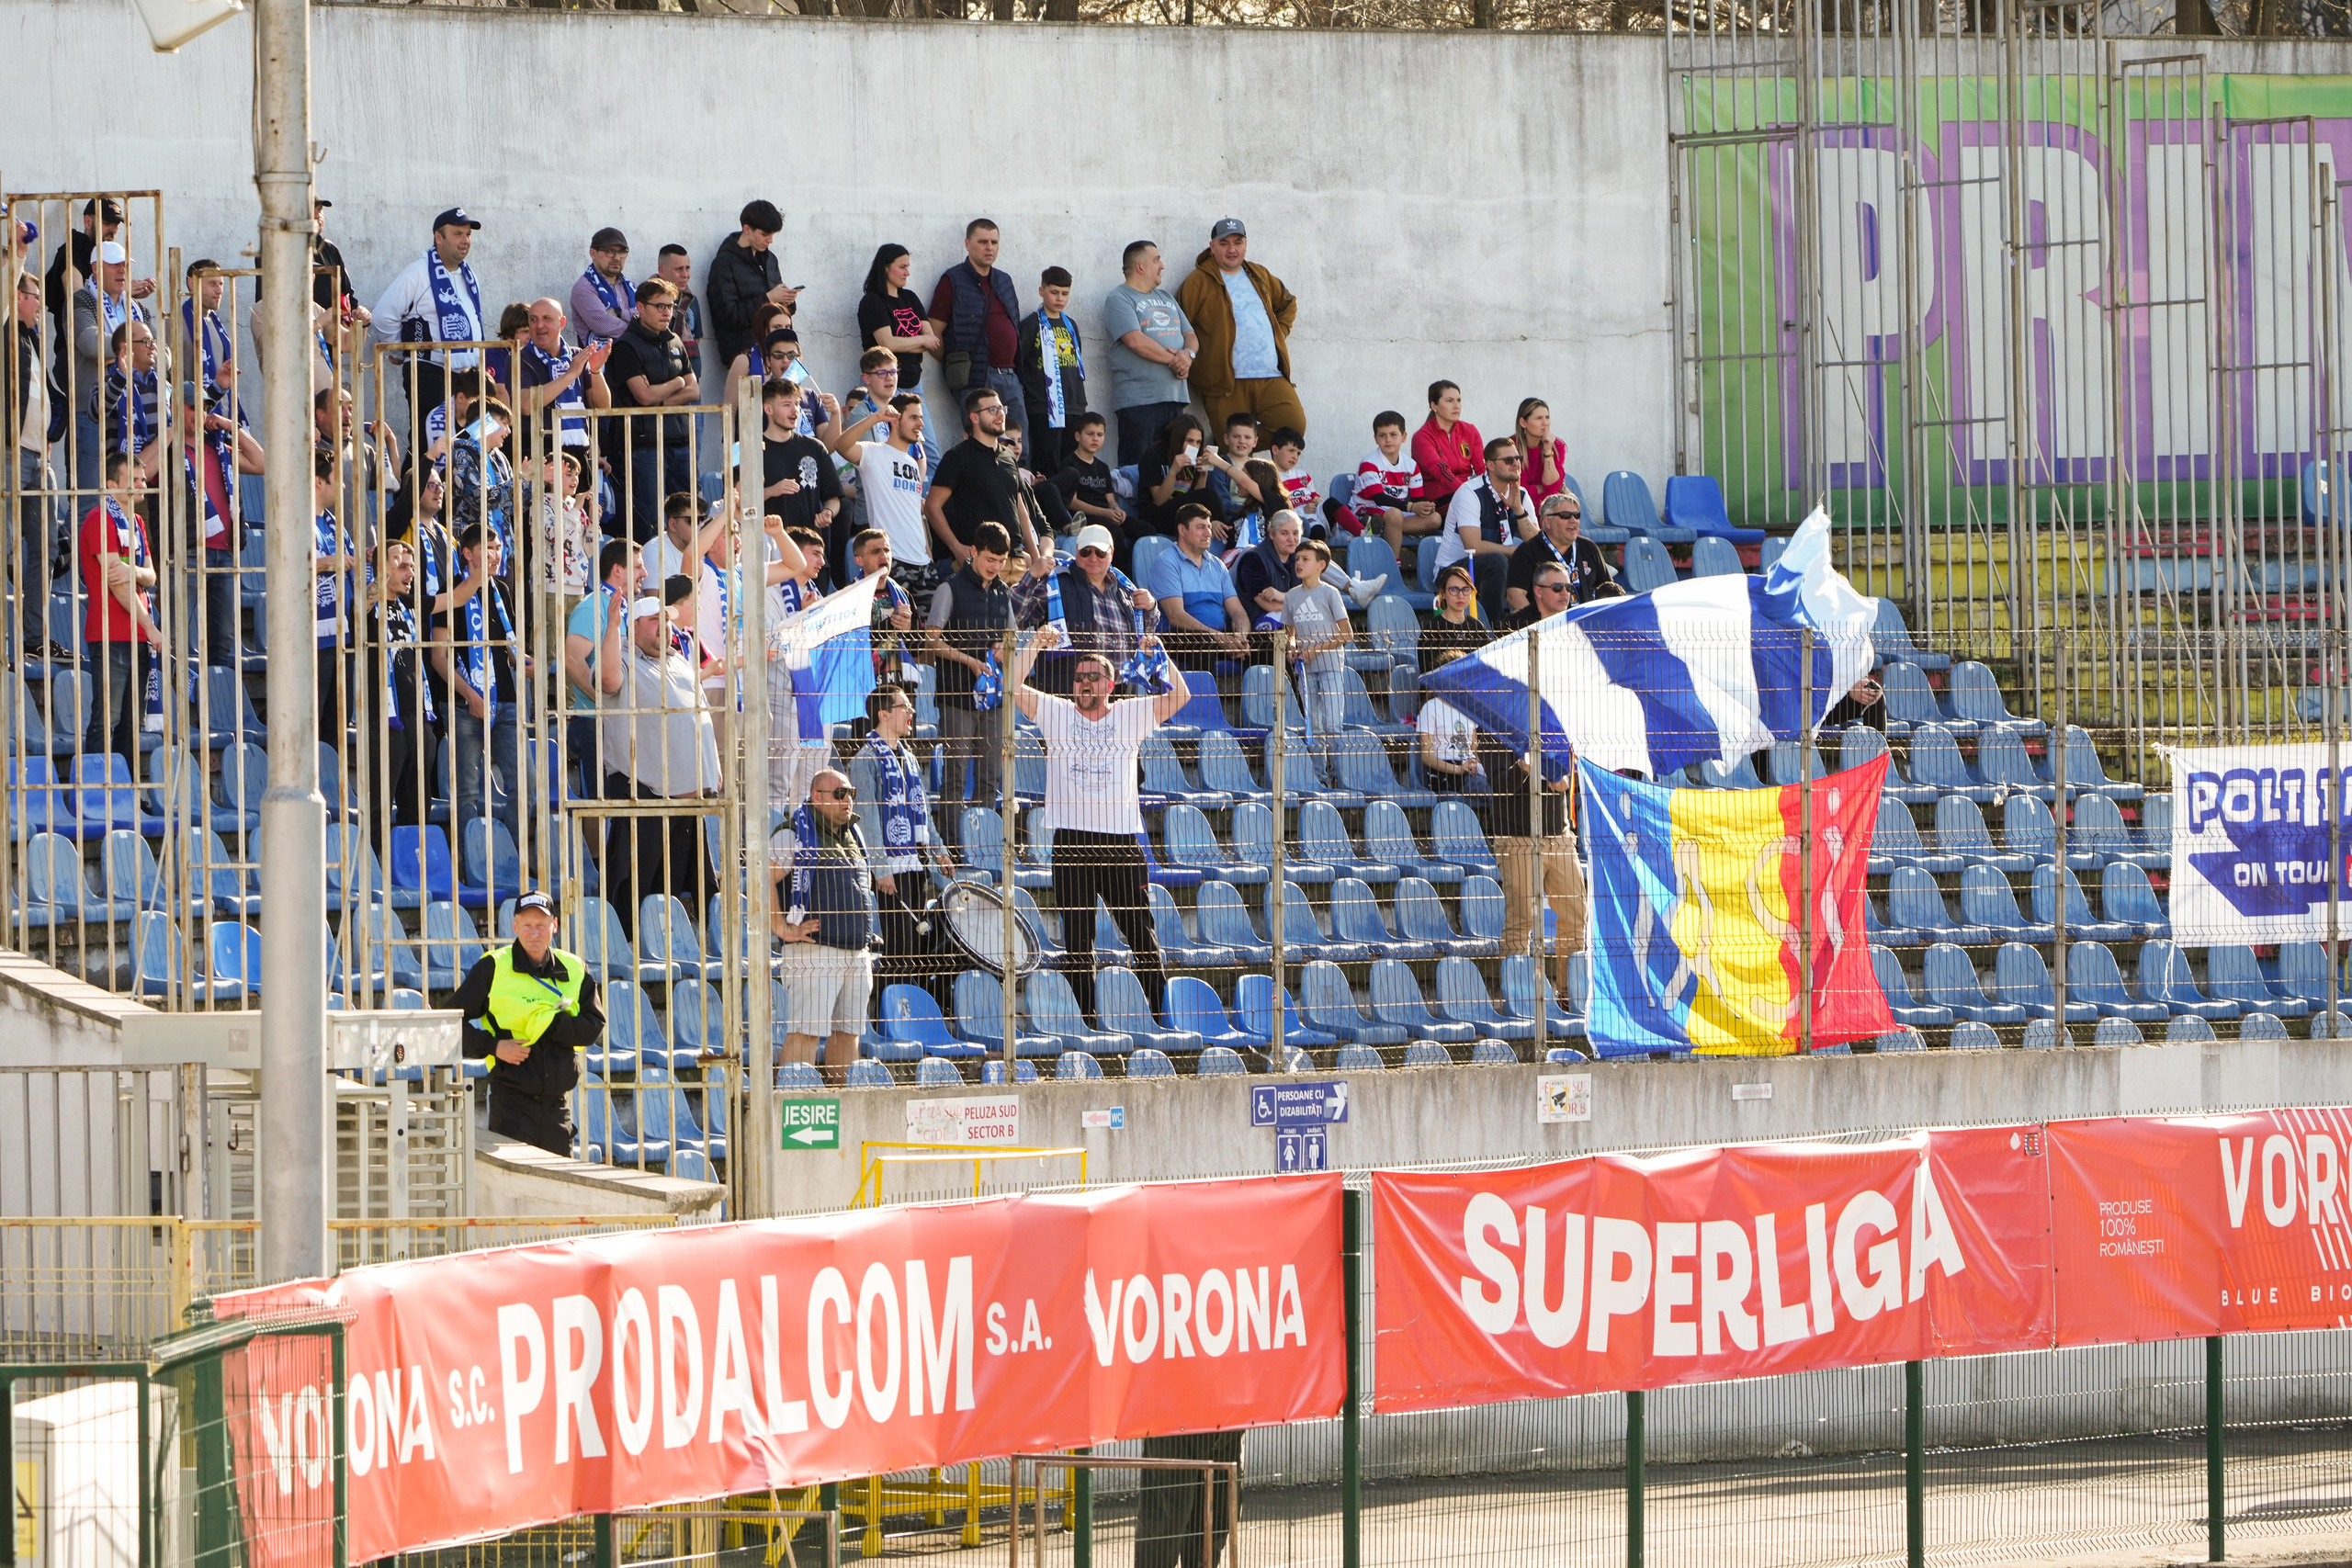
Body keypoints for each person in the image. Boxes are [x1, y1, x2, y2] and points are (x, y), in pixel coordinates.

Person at [1011, 625, 1192, 1026]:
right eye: (1079, 677)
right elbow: (1011, 685)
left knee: (1141, 935)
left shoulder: (1131, 713)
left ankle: (1163, 1017)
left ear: (1110, 684)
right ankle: (1089, 1021)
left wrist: (1159, 652)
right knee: (1078, 941)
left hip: (1121, 841)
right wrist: (1034, 645)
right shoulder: (1056, 713)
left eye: (1093, 677)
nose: (1084, 683)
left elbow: (1181, 696)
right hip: (1071, 842)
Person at [596, 593, 721, 932]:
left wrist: (712, 769)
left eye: (666, 621)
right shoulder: (621, 657)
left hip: (688, 798)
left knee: (676, 892)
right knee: (637, 886)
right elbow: (607, 682)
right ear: (632, 628)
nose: (664, 628)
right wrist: (611, 625)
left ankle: (672, 949)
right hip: (647, 792)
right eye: (654, 621)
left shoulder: (678, 659)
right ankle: (628, 946)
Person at [451, 891, 606, 1157]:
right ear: (514, 927)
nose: (534, 932)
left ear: (554, 926)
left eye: (541, 925)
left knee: (559, 1192)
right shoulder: (493, 967)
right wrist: (494, 1046)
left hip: (557, 1108)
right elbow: (449, 1022)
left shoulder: (575, 968)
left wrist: (553, 1023)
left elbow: (594, 1025)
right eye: (527, 925)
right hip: (511, 1105)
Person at [767, 765, 881, 1076]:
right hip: (815, 953)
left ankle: (841, 1106)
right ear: (816, 797)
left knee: (849, 1033)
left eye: (851, 794)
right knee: (807, 1032)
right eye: (839, 793)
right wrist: (780, 927)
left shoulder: (853, 835)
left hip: (856, 953)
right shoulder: (794, 833)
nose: (848, 800)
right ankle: (790, 1104)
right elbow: (761, 878)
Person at [858, 683, 957, 1010]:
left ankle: (908, 1013)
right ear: (884, 714)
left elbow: (923, 812)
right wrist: (881, 868)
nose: (911, 712)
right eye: (904, 707)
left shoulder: (909, 758)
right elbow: (868, 819)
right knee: (898, 947)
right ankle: (887, 1016)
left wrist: (940, 849)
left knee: (913, 947)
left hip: (916, 863)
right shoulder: (866, 758)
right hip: (890, 870)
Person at [434, 522, 526, 853]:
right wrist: (470, 695)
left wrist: (527, 663)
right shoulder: (450, 590)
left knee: (524, 783)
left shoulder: (501, 589)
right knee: (468, 791)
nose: (496, 554)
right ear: (468, 553)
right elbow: (439, 657)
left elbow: (510, 649)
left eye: (498, 547)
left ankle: (518, 858)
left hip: (506, 701)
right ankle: (469, 859)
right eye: (488, 548)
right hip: (464, 704)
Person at [1476, 725, 1588, 998]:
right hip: (1517, 839)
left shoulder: (1554, 727)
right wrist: (1524, 767)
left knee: (1575, 917)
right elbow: (1499, 786)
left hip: (1558, 836)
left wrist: (1566, 782)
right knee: (1521, 919)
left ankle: (1568, 995)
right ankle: (1519, 998)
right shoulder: (1492, 728)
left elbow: (1567, 776)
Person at [925, 521, 1016, 841]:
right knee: (955, 774)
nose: (995, 567)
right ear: (973, 552)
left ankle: (984, 844)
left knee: (991, 774)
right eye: (990, 559)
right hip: (956, 697)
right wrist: (970, 660)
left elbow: (1011, 640)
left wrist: (1001, 649)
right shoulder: (949, 588)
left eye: (1001, 561)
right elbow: (931, 641)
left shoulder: (1004, 592)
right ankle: (952, 845)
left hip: (992, 700)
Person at [1175, 219, 1305, 440]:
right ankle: (1229, 453)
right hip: (1225, 383)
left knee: (1292, 430)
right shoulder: (1198, 281)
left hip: (1270, 375)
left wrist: (1279, 333)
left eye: (1238, 242)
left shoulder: (1259, 274)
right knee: (1232, 442)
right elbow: (1179, 323)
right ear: (1212, 246)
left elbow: (1287, 302)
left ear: (1245, 244)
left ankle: (1238, 452)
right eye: (1224, 243)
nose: (1232, 249)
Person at [369, 208, 487, 442]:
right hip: (432, 373)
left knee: (473, 440)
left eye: (468, 235)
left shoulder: (468, 274)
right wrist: (399, 349)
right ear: (438, 237)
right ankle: (420, 479)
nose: (465, 241)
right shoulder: (419, 272)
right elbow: (383, 314)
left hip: (469, 376)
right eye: (457, 234)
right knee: (429, 441)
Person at [76, 448, 161, 762]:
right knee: (106, 720)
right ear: (112, 486)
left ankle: (125, 792)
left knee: (129, 724)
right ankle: (97, 794)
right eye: (134, 480)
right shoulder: (100, 519)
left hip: (136, 634)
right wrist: (151, 626)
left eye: (143, 479)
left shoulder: (136, 521)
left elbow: (150, 576)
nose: (142, 485)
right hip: (111, 633)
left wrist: (133, 571)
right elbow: (118, 583)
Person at [1011, 523, 1160, 698]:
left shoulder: (1126, 589)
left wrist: (1151, 608)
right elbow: (1017, 617)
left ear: (1111, 553)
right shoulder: (1055, 582)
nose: (1093, 557)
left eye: (1100, 552)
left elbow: (1145, 639)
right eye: (1086, 551)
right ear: (1076, 551)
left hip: (1120, 695)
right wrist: (1032, 575)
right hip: (1070, 697)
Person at [605, 277, 699, 542]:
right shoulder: (626, 345)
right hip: (644, 447)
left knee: (690, 519)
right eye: (659, 306)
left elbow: (695, 390)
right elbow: (643, 396)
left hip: (680, 444)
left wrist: (662, 395)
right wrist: (677, 383)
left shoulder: (675, 342)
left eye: (670, 306)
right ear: (639, 307)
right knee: (651, 522)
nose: (666, 312)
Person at [180, 378, 265, 671]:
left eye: (204, 407)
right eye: (193, 407)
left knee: (222, 641)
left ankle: (216, 703)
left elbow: (263, 462)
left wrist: (230, 425)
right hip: (188, 552)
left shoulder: (218, 447)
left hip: (225, 554)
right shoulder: (170, 448)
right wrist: (170, 432)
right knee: (176, 632)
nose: (200, 413)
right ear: (176, 409)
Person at [360, 537, 441, 841]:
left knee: (419, 802)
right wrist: (383, 570)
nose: (409, 572)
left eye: (412, 566)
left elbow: (453, 599)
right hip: (385, 716)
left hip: (419, 715)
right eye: (402, 565)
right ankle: (377, 865)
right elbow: (362, 605)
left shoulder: (410, 604)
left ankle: (414, 862)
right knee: (380, 801)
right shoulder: (368, 601)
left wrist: (478, 572)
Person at [1102, 239, 1197, 467]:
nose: (1162, 265)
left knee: (1177, 469)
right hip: (1140, 402)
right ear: (1140, 267)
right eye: (1156, 260)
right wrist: (1176, 360)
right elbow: (1136, 341)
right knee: (1137, 469)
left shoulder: (1166, 298)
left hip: (1175, 399)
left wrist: (1189, 356)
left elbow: (1191, 336)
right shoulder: (1119, 298)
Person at [71, 243, 154, 489]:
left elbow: (164, 355)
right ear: (95, 268)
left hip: (138, 414)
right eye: (115, 264)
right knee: (91, 495)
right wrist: (139, 347)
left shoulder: (139, 308)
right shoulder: (81, 300)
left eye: (125, 265)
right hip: (95, 412)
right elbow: (90, 342)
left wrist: (130, 349)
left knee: (136, 497)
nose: (122, 270)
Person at [836, 392, 933, 597]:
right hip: (892, 560)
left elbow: (915, 513)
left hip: (923, 564)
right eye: (914, 418)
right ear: (896, 420)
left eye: (921, 418)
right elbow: (841, 445)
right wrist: (876, 417)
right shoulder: (873, 452)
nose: (921, 424)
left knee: (928, 629)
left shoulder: (913, 464)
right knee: (894, 628)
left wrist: (928, 553)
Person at [925, 387, 1034, 567]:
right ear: (974, 417)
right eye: (992, 410)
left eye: (1002, 409)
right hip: (979, 561)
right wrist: (957, 547)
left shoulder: (1008, 456)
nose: (1000, 415)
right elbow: (932, 507)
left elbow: (1021, 510)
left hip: (1016, 559)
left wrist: (1034, 556)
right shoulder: (957, 457)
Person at [925, 219, 1023, 416]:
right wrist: (956, 363)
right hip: (977, 379)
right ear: (968, 244)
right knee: (982, 443)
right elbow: (934, 332)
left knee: (1020, 444)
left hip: (1011, 377)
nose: (989, 248)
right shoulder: (952, 280)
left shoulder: (1004, 280)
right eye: (983, 242)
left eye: (994, 242)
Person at [564, 536, 643, 779]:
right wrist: (604, 701)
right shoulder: (592, 607)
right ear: (618, 570)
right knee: (597, 805)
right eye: (638, 566)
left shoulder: (629, 608)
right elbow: (571, 660)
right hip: (596, 723)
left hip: (623, 723)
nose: (646, 572)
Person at [1436, 436, 1534, 626]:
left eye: (1518, 459)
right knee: (1497, 561)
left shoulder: (1520, 494)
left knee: (1539, 563)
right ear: (1490, 465)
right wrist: (1516, 551)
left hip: (1499, 568)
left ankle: (1537, 628)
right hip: (1452, 571)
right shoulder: (1470, 493)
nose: (1515, 464)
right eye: (1508, 460)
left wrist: (1519, 511)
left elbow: (1535, 543)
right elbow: (1473, 547)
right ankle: (1494, 630)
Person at [8, 271, 62, 612]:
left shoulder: (33, 338)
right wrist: (18, 252)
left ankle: (34, 635)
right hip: (10, 453)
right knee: (6, 545)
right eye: (36, 295)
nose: (42, 303)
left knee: (47, 546)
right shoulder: (7, 331)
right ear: (16, 297)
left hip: (39, 456)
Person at [1148, 504, 1250, 676]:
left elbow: (1238, 612)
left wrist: (1240, 638)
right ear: (1182, 529)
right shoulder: (1167, 563)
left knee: (1267, 645)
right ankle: (1202, 703)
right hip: (1178, 638)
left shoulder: (1218, 566)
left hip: (1216, 637)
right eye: (1201, 527)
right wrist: (1218, 636)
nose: (1208, 532)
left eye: (1209, 527)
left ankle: (1288, 701)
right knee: (1203, 643)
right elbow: (1176, 616)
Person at [1283, 538, 1354, 786]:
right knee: (1313, 726)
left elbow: (1347, 634)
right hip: (1306, 669)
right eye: (1297, 559)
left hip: (1331, 666)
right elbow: (1289, 632)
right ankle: (1319, 779)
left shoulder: (1330, 593)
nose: (1299, 563)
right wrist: (1292, 647)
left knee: (1333, 724)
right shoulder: (1291, 596)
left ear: (1321, 565)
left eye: (1305, 559)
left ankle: (1338, 776)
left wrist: (1315, 649)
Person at [760, 378, 845, 571]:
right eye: (787, 404)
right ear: (768, 409)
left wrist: (828, 512)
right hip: (771, 554)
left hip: (811, 556)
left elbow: (834, 498)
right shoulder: (751, 448)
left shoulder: (814, 447)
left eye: (797, 404)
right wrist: (772, 491)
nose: (795, 410)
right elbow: (737, 502)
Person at [516, 297, 612, 459]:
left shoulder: (576, 355)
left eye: (547, 319)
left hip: (579, 449)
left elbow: (602, 407)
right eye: (533, 320)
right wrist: (570, 375)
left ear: (562, 323)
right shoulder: (520, 358)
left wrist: (595, 371)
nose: (539, 326)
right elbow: (525, 405)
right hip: (540, 452)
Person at [1015, 266, 1088, 475]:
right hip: (1043, 407)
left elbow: (1076, 361)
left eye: (1065, 293)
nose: (1060, 298)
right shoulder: (1030, 325)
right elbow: (1019, 363)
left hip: (1073, 406)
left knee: (1071, 467)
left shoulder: (1070, 325)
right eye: (1054, 292)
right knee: (1047, 466)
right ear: (1041, 291)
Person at [707, 198, 797, 365]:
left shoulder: (770, 260)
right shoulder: (724, 264)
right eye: (765, 234)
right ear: (747, 229)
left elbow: (777, 308)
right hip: (745, 356)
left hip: (776, 354)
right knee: (752, 392)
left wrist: (787, 301)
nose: (770, 240)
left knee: (784, 392)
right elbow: (730, 316)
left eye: (773, 234)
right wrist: (769, 298)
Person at [311, 450, 360, 740]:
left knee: (337, 727)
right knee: (313, 725)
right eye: (337, 479)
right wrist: (327, 562)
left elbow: (348, 564)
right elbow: (284, 569)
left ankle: (332, 783)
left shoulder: (333, 524)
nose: (343, 486)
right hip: (312, 641)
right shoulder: (296, 521)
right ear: (319, 482)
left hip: (342, 635)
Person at [1510, 492, 1623, 614]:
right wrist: (1541, 624)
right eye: (1566, 515)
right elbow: (1514, 595)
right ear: (1547, 521)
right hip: (1549, 627)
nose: (1573, 520)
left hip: (1586, 625)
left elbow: (1609, 590)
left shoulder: (1589, 547)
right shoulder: (1527, 551)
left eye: (1576, 515)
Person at [1351, 409, 1442, 558]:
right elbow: (1379, 498)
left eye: (1393, 435)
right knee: (1395, 515)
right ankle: (1393, 563)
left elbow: (1418, 498)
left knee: (1435, 518)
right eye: (1382, 435)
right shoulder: (1369, 463)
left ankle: (1382, 528)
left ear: (1404, 437)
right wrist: (1412, 507)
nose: (1388, 440)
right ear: (1375, 438)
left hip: (1397, 513)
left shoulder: (1411, 465)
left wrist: (1425, 507)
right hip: (1366, 509)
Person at [857, 243, 937, 389]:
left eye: (908, 267)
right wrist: (921, 340)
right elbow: (887, 344)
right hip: (882, 382)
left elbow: (931, 341)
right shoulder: (872, 301)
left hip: (914, 381)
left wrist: (906, 343)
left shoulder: (910, 297)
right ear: (885, 267)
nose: (907, 273)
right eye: (902, 267)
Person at [1135, 412, 1218, 545]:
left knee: (1209, 499)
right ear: (1177, 438)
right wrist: (1173, 471)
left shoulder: (1194, 458)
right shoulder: (1154, 455)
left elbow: (1197, 497)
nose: (1194, 447)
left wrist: (1203, 474)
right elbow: (1159, 501)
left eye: (1198, 442)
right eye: (1189, 440)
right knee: (1210, 495)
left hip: (1184, 513)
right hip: (1156, 516)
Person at [1412, 380, 1483, 522]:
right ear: (1434, 406)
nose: (1456, 406)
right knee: (1476, 512)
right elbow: (1441, 472)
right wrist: (1468, 492)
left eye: (1459, 400)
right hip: (1439, 500)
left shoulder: (1470, 431)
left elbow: (1481, 468)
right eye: (1450, 401)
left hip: (1467, 492)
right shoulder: (1423, 437)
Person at [1048, 411, 1123, 537]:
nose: (1095, 438)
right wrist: (1105, 513)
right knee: (1116, 533)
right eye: (1090, 434)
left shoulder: (1103, 467)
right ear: (1078, 436)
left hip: (1106, 514)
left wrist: (1116, 509)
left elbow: (1110, 499)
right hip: (1085, 517)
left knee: (1145, 529)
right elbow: (1072, 503)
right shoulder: (1069, 464)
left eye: (1100, 434)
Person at [1418, 561, 1488, 677]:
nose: (1460, 596)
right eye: (1454, 590)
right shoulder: (1432, 630)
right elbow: (1429, 674)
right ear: (1443, 593)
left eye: (1465, 589)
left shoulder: (1477, 627)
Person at [570, 227, 637, 342]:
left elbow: (648, 316)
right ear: (593, 253)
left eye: (622, 251)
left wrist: (619, 313)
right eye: (610, 251)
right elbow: (605, 326)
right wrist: (642, 329)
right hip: (601, 357)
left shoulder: (632, 287)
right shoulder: (584, 287)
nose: (617, 257)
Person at [1416, 696, 1484, 795]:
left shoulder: (1469, 708)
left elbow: (1474, 749)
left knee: (1501, 783)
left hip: (1471, 768)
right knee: (1491, 787)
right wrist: (1458, 769)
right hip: (1446, 773)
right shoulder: (1430, 708)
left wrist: (1481, 767)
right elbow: (1427, 757)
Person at [1517, 397, 1571, 510]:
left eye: (1547, 417)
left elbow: (1552, 485)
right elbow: (1520, 490)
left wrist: (1547, 451)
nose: (1545, 423)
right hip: (1523, 506)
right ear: (1523, 422)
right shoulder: (1512, 447)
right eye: (1539, 418)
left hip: (1550, 506)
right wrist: (1544, 488)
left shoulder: (1557, 446)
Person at [655, 244, 704, 371]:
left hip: (691, 376)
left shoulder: (691, 300)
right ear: (662, 271)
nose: (685, 275)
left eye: (687, 268)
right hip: (663, 375)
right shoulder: (648, 299)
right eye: (679, 269)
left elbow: (696, 338)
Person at [1509, 562, 1575, 630]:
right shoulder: (1512, 625)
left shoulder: (1577, 623)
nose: (1565, 593)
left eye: (1568, 587)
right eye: (1557, 587)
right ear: (1538, 591)